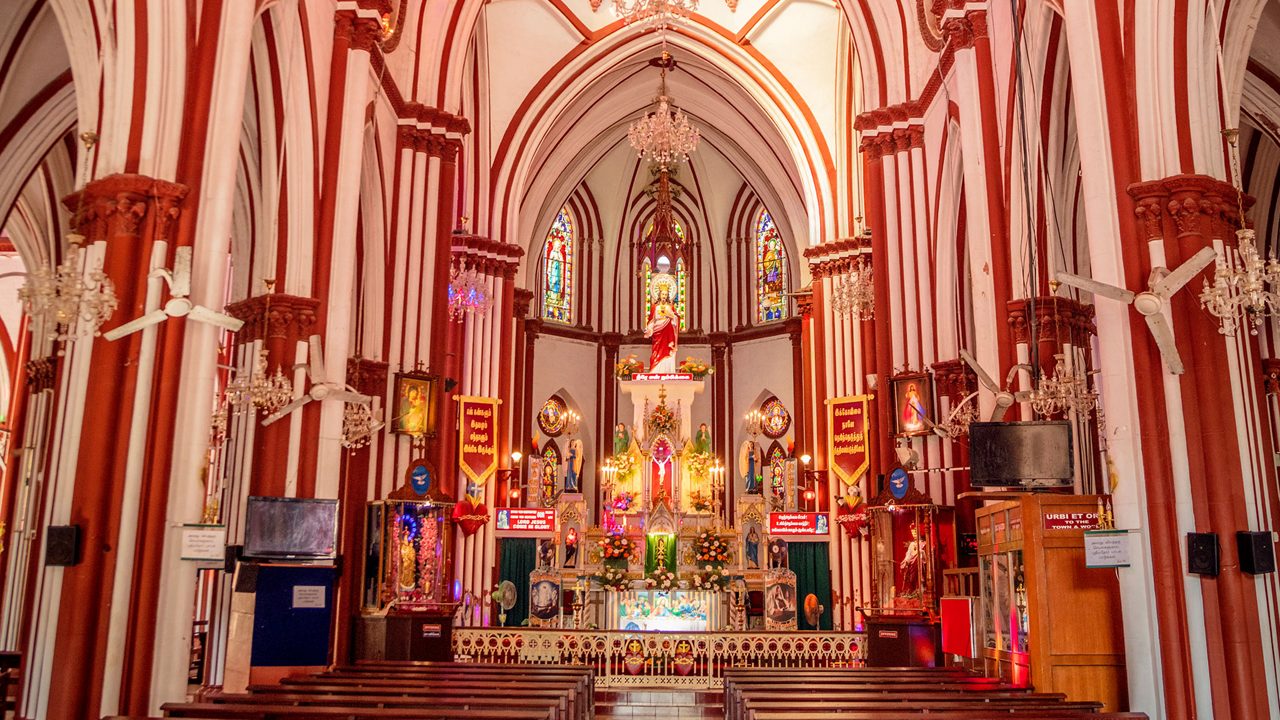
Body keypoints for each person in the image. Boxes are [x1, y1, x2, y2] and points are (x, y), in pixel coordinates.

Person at [644, 275, 680, 372]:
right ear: (659, 294)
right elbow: (651, 320)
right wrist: (649, 330)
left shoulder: (671, 307)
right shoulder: (654, 307)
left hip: (668, 334)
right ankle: (656, 370)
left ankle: (667, 369)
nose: (663, 296)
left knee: (668, 351)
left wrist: (672, 316)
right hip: (657, 334)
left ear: (668, 295)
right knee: (656, 352)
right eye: (662, 294)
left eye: (665, 294)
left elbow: (676, 320)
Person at [899, 523, 922, 598]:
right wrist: (905, 561)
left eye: (915, 532)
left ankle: (919, 590)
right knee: (910, 577)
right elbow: (908, 554)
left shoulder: (922, 543)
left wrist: (919, 554)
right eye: (913, 532)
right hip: (911, 565)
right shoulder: (912, 544)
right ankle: (911, 591)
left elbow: (923, 554)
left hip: (919, 564)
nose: (914, 534)